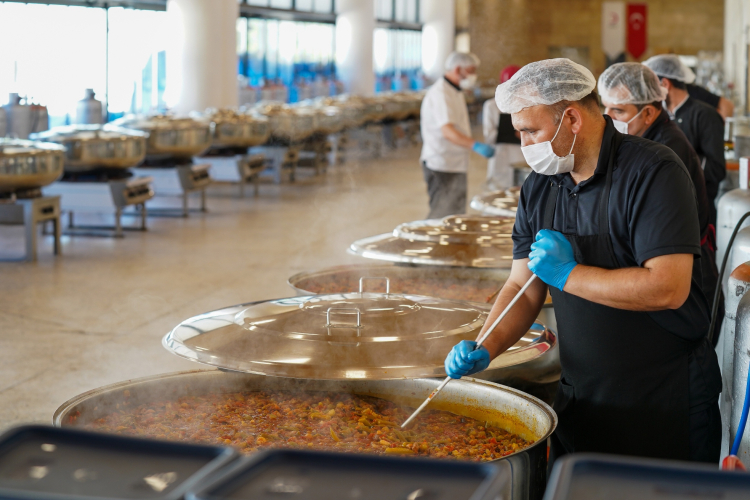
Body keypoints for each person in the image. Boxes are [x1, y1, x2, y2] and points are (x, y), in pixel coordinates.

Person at [443, 58, 721, 470]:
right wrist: (488, 345)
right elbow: (522, 285)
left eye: (531, 131)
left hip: (664, 402)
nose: (524, 145)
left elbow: (668, 286)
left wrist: (570, 274)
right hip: (582, 397)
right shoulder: (539, 187)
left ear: (571, 118)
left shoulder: (654, 171)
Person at [598, 62, 723, 347]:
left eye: (618, 111)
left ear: (649, 112)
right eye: (605, 108)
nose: (607, 118)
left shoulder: (664, 154)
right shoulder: (644, 138)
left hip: (687, 282)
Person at [643, 54, 726, 226]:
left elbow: (717, 169)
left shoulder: (705, 115)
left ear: (665, 84)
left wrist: (679, 163)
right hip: (665, 207)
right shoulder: (660, 115)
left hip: (698, 210)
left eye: (651, 86)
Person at [420, 51, 495, 219]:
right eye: (471, 70)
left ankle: (450, 244)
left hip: (454, 162)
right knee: (442, 213)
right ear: (458, 69)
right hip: (441, 163)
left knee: (455, 212)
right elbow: (447, 131)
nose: (473, 75)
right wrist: (475, 145)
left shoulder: (455, 90)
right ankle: (434, 244)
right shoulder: (441, 93)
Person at [482, 65, 523, 190]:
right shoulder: (491, 106)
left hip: (521, 157)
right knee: (498, 191)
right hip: (501, 156)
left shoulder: (527, 105)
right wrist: (511, 132)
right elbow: (489, 136)